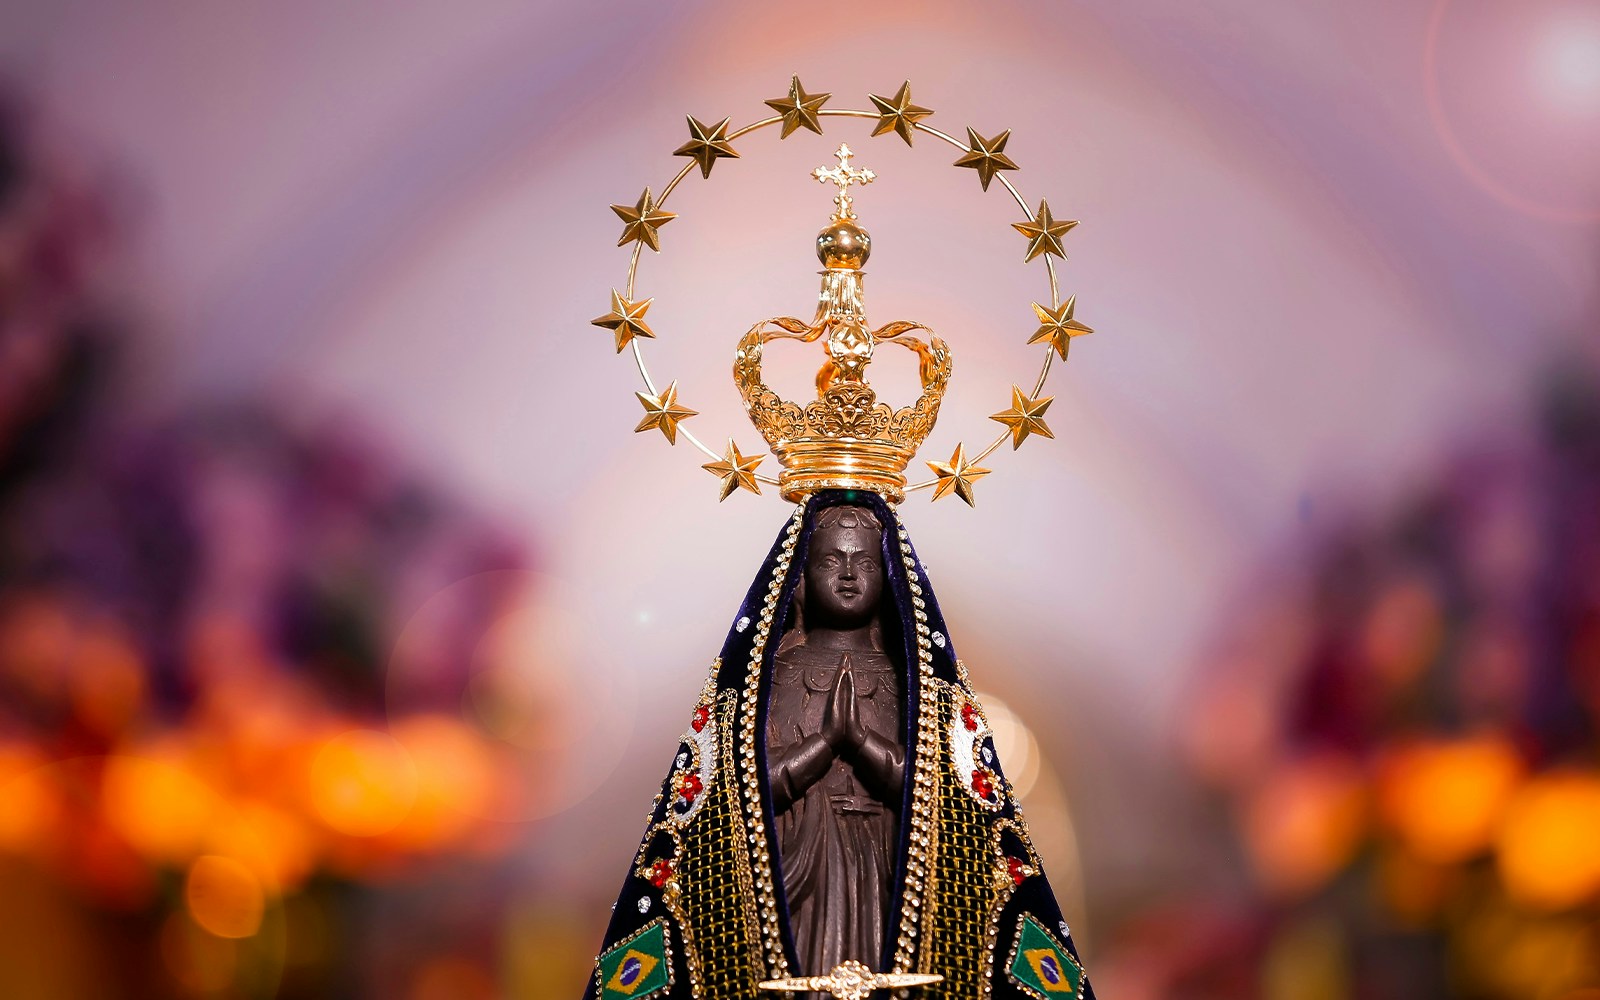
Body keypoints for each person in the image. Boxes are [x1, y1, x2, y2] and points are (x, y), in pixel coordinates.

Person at [766, 505, 904, 974]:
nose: (848, 575)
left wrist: (863, 742)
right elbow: (745, 785)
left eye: (864, 563)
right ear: (801, 576)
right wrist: (823, 744)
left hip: (888, 868)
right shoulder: (777, 675)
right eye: (831, 561)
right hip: (801, 865)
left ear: (889, 580)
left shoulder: (910, 681)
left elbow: (940, 786)